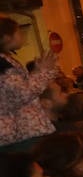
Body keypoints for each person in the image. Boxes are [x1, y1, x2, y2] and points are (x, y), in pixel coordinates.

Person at [0, 16, 60, 152]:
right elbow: (22, 94)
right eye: (19, 32)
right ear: (7, 37)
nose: (22, 35)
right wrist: (43, 72)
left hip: (19, 130)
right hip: (20, 131)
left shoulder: (6, 61)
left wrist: (38, 72)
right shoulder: (2, 64)